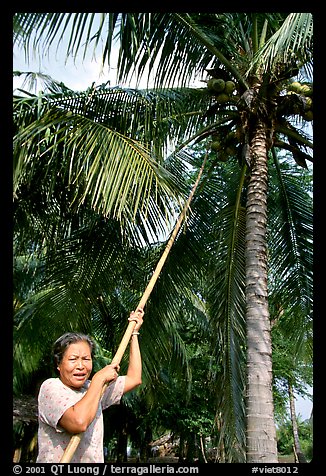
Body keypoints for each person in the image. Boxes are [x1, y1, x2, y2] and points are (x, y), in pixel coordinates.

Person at [36, 308, 144, 463]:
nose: (81, 366)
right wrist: (99, 379)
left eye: (86, 359)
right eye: (73, 359)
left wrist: (134, 334)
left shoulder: (92, 389)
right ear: (58, 364)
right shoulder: (51, 388)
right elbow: (78, 422)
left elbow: (134, 378)